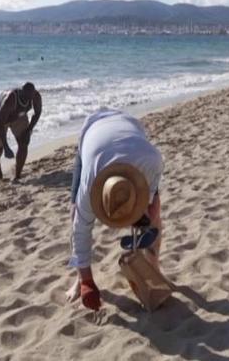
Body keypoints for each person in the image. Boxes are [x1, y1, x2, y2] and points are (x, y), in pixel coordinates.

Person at [65, 108, 164, 311]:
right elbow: (80, 232)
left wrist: (146, 219)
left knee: (153, 217)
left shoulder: (152, 162)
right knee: (74, 212)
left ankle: (154, 269)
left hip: (130, 130)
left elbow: (153, 203)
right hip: (91, 134)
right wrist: (87, 282)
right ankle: (78, 277)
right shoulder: (89, 186)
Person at [0, 82, 42, 180]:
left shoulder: (36, 96)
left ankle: (17, 176)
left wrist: (29, 130)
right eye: (25, 97)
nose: (28, 99)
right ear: (21, 92)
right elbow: (0, 124)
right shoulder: (10, 100)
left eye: (30, 97)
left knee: (24, 142)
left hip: (19, 115)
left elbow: (37, 113)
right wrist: (6, 146)